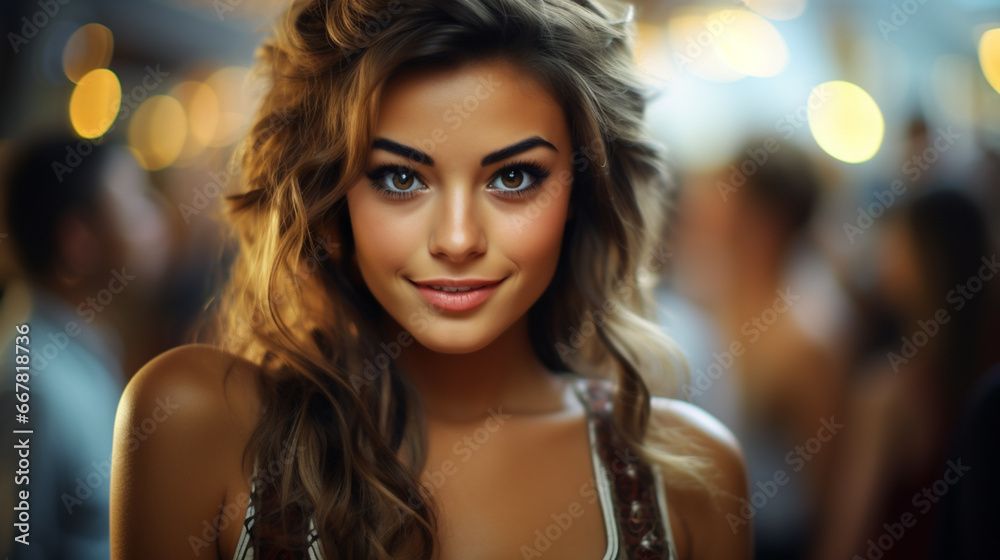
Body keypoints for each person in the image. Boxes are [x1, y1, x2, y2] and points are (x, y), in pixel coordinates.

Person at [110, 1, 750, 559]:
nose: (457, 239)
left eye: (514, 177)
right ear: (332, 201)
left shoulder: (689, 476)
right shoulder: (194, 421)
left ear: (580, 193)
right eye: (400, 178)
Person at [0, 137, 165, 560]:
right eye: (136, 205)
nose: (159, 220)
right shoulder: (31, 386)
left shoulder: (85, 353)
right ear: (79, 242)